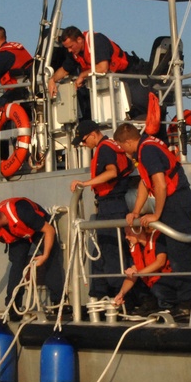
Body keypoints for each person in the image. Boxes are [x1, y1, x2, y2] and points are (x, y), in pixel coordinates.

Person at [114, 122, 191, 306]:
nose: (123, 150)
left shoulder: (148, 151)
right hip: (176, 202)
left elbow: (160, 184)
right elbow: (146, 182)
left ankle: (188, 305)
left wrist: (156, 214)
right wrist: (136, 211)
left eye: (121, 146)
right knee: (177, 254)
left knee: (180, 257)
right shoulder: (147, 147)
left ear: (128, 142)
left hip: (177, 203)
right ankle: (181, 301)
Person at [70, 119, 134, 298]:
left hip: (111, 204)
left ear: (92, 134)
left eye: (84, 141)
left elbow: (112, 171)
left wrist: (85, 183)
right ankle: (99, 293)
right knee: (105, 251)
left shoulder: (104, 148)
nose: (84, 145)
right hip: (114, 203)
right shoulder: (112, 145)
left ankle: (121, 296)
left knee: (111, 251)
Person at [47, 26, 150, 118]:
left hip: (130, 73)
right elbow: (65, 69)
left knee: (141, 110)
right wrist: (52, 80)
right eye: (67, 48)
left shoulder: (97, 40)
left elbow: (103, 67)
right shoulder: (74, 53)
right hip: (112, 81)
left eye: (71, 46)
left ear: (79, 39)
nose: (69, 50)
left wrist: (82, 75)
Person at [113, 226, 177, 314]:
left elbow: (160, 262)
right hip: (153, 285)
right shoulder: (135, 248)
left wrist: (137, 273)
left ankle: (170, 308)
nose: (126, 237)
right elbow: (133, 274)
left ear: (138, 230)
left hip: (168, 280)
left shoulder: (157, 239)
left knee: (158, 289)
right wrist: (121, 293)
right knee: (138, 289)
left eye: (129, 233)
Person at [0, 26, 33, 116]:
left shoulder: (0, 55)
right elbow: (16, 68)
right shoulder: (17, 48)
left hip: (18, 92)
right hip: (31, 88)